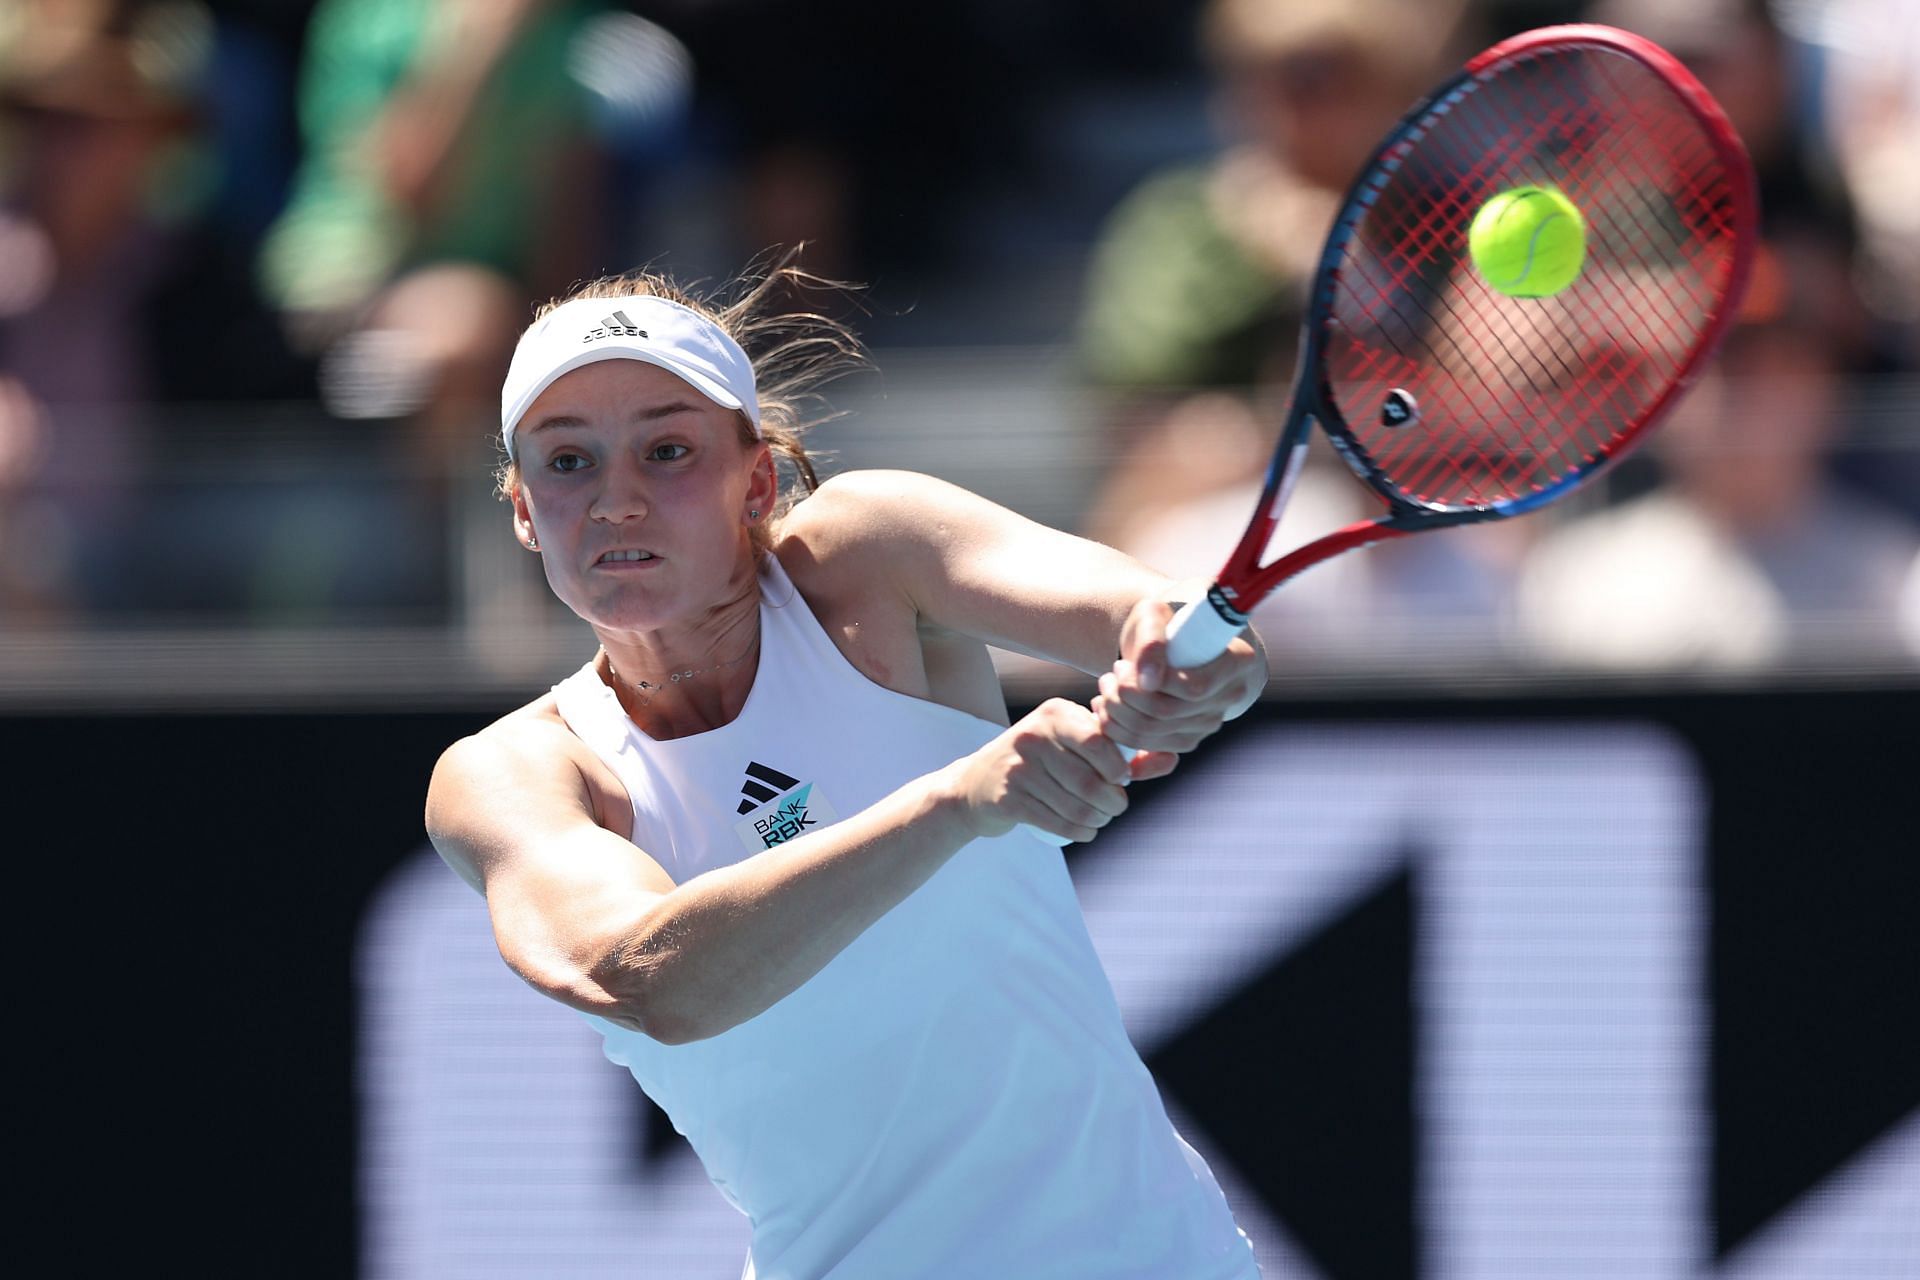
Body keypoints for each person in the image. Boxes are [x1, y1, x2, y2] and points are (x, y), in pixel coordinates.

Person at [423, 263, 1270, 1279]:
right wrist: (957, 798)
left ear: (758, 482)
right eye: (568, 462)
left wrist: (1177, 653)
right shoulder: (513, 772)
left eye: (667, 449)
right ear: (522, 509)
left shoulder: (868, 555)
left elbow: (1151, 613)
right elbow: (650, 979)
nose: (618, 500)